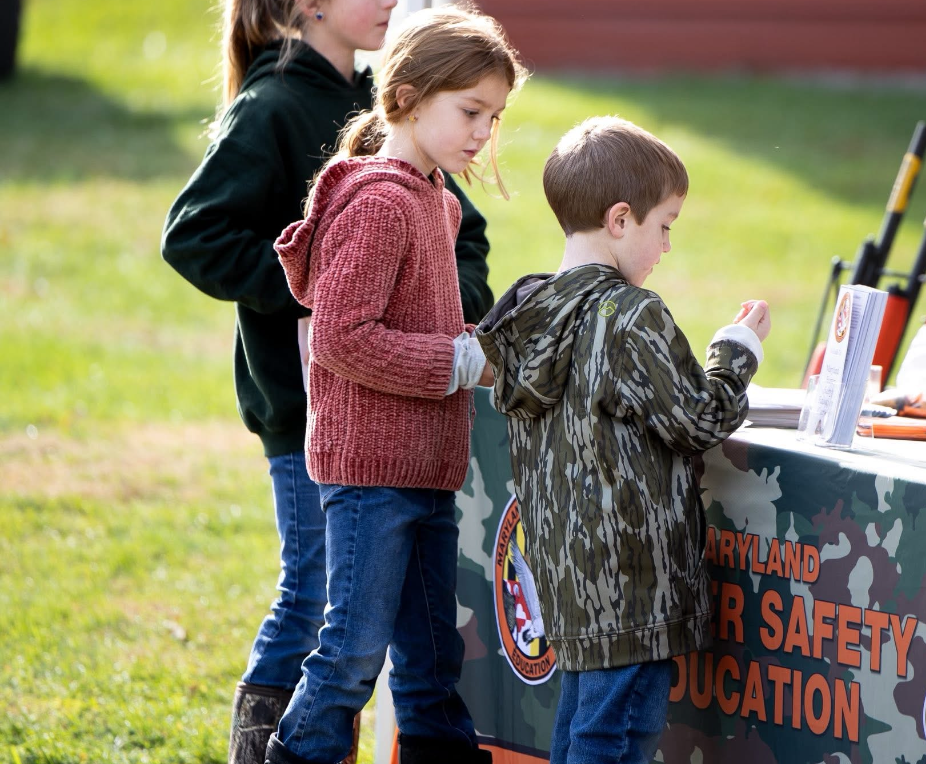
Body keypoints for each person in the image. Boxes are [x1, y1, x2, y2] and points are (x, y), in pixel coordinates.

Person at [159, 0, 495, 761]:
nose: (385, 1)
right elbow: (195, 235)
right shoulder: (273, 104)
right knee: (318, 612)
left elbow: (462, 235)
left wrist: (447, 313)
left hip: (410, 426)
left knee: (406, 641)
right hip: (311, 413)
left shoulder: (392, 110)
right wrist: (327, 290)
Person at [264, 6, 527, 764]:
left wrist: (488, 344)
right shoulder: (381, 202)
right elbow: (343, 338)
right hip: (371, 478)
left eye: (495, 116)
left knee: (431, 662)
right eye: (470, 111)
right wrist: (455, 362)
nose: (484, 131)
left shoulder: (435, 201)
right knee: (349, 658)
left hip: (427, 472)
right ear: (407, 97)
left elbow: (425, 324)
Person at [475, 116, 772, 764]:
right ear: (619, 220)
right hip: (634, 579)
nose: (666, 247)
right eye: (663, 226)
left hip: (566, 574)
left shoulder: (530, 313)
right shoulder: (632, 316)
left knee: (587, 722)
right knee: (617, 736)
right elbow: (698, 420)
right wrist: (736, 352)